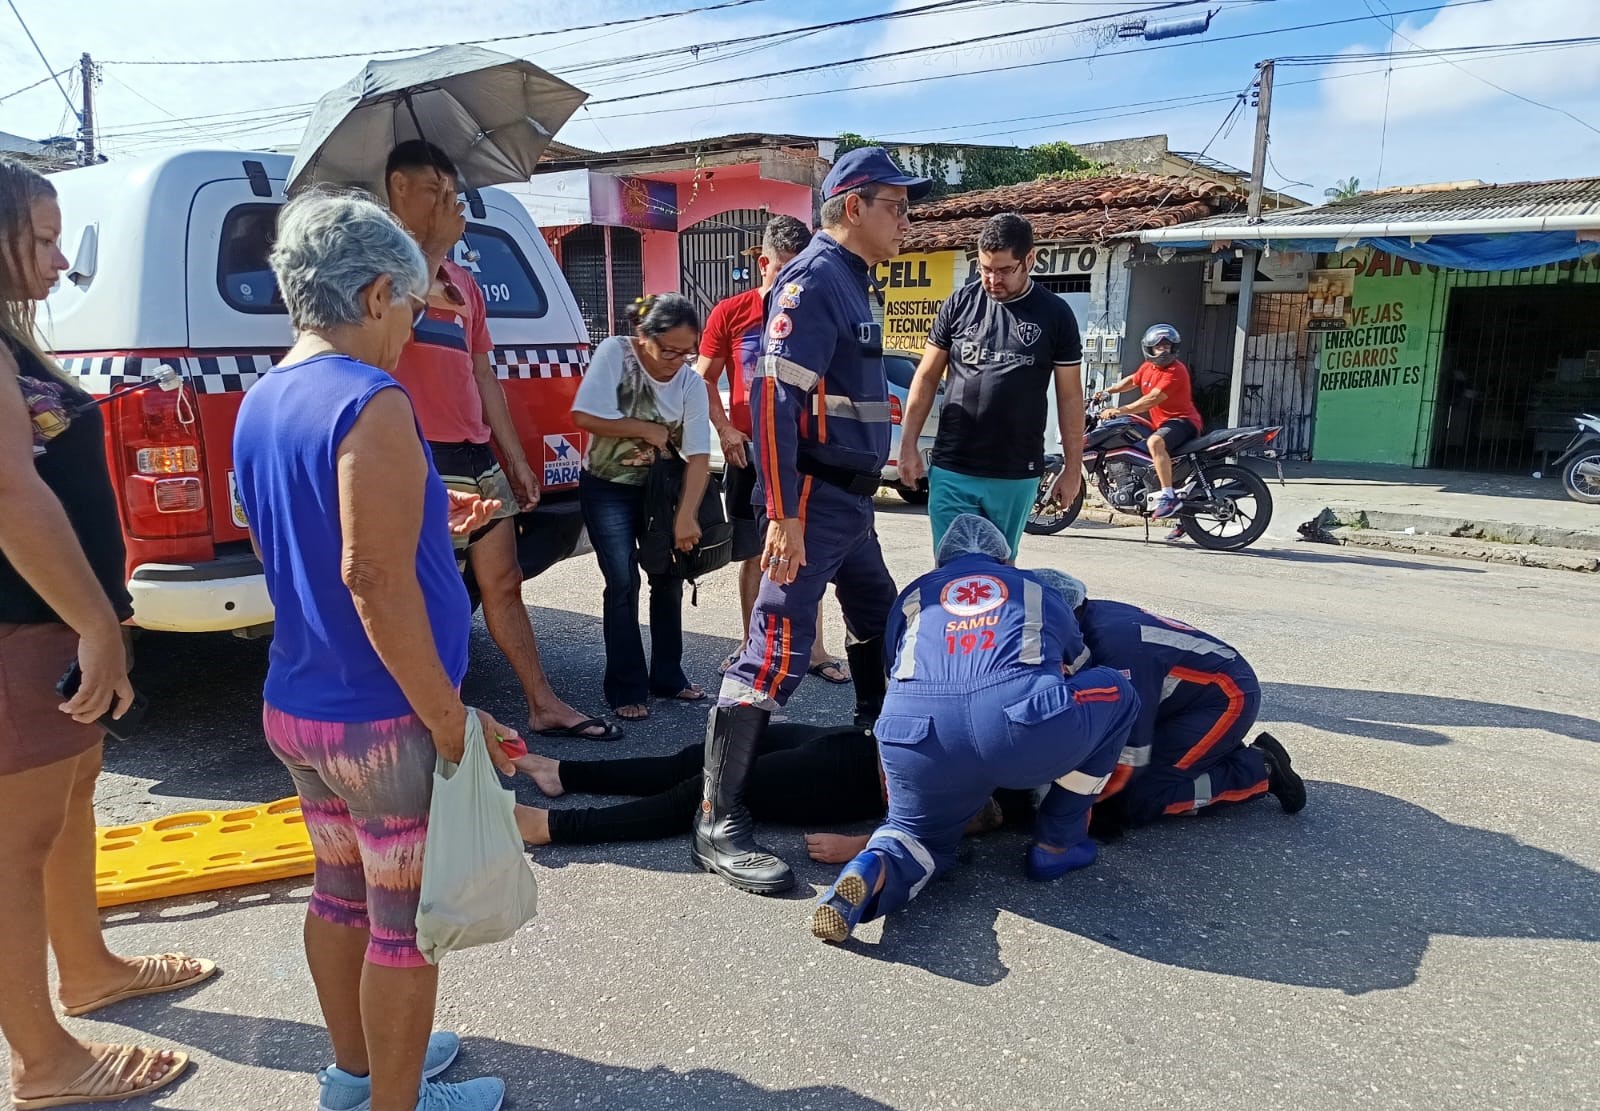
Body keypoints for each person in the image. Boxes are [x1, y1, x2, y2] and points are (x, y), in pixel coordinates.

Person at [233, 189, 518, 1111]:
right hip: (381, 718)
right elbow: (372, 578)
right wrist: (447, 714)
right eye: (410, 306)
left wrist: (430, 517)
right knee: (404, 924)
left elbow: (293, 533)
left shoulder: (262, 398)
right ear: (374, 295)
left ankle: (357, 1075)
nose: (411, 327)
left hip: (299, 701)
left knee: (338, 894)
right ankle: (397, 1102)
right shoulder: (371, 398)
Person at [0, 158, 213, 1110]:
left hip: (53, 619)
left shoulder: (14, 340)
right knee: (16, 845)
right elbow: (11, 495)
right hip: (21, 627)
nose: (59, 260)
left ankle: (87, 968)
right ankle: (43, 1060)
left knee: (73, 798)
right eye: (43, 239)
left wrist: (100, 612)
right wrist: (94, 620)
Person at [698, 147, 929, 896]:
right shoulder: (814, 280)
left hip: (850, 505)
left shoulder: (853, 280)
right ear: (853, 206)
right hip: (814, 502)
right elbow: (774, 400)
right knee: (773, 652)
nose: (906, 221)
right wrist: (784, 513)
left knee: (878, 622)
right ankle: (717, 819)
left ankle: (872, 752)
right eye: (896, 206)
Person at [810, 515, 1139, 944]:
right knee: (1118, 691)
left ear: (941, 561)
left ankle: (875, 866)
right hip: (1019, 725)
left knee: (918, 835)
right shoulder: (1034, 588)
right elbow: (1078, 666)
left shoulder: (915, 594)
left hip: (915, 736)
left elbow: (894, 673)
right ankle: (1058, 843)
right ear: (1006, 559)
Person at [384, 140, 618, 741]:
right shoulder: (381, 275)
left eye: (451, 194)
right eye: (434, 193)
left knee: (504, 582)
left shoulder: (463, 283)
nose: (449, 205)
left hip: (474, 452)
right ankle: (434, 723)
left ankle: (542, 703)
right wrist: (432, 251)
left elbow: (483, 373)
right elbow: (384, 344)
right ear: (398, 190)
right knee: (433, 594)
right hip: (419, 455)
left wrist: (513, 459)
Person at [1032, 569, 1306, 836]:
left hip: (1227, 698)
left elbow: (1129, 750)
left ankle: (1260, 770)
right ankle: (1208, 753)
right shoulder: (1084, 617)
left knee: (1137, 800)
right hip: (1182, 698)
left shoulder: (1118, 652)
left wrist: (1078, 805)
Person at [697, 214, 850, 687]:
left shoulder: (815, 308)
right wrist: (725, 430)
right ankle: (752, 645)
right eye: (784, 268)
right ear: (763, 264)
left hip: (806, 454)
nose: (793, 279)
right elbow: (703, 378)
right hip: (748, 453)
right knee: (754, 553)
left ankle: (815, 650)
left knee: (809, 549)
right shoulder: (731, 312)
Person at [898, 213, 1084, 559]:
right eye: (985, 269)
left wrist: (1073, 469)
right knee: (952, 571)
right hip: (953, 466)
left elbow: (1070, 397)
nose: (993, 279)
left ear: (1029, 259)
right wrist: (908, 445)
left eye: (1004, 270)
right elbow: (926, 376)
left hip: (1015, 472)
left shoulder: (1056, 315)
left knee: (999, 571)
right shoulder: (960, 304)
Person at [507, 721, 1004, 848]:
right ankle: (562, 773)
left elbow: (980, 816)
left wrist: (861, 845)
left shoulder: (1034, 772)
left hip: (850, 782)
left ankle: (554, 827)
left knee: (704, 793)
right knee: (696, 759)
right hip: (857, 740)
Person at [570, 293, 711, 722]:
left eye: (687, 353)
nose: (677, 362)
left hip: (660, 493)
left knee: (667, 577)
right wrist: (645, 429)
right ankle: (626, 687)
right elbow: (583, 415)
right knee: (622, 581)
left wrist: (686, 516)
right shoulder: (616, 353)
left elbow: (699, 457)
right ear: (643, 334)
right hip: (607, 488)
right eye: (669, 351)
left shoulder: (690, 383)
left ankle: (667, 676)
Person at [1094, 323, 1202, 528]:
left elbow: (1150, 400)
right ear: (1149, 349)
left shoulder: (1176, 371)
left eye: (1167, 346)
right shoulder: (1148, 367)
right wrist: (1108, 391)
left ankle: (1168, 497)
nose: (1163, 350)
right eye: (1159, 347)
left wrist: (1119, 410)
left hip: (1183, 421)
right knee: (1133, 433)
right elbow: (1132, 380)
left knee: (1155, 442)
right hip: (1162, 422)